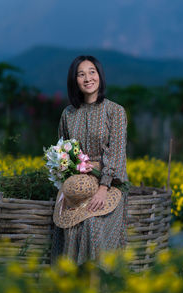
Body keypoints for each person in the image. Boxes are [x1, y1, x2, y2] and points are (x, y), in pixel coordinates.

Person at [50, 55, 129, 265]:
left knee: (92, 223)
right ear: (74, 80)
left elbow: (117, 152)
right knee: (69, 224)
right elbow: (62, 150)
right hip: (79, 184)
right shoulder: (68, 113)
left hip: (109, 184)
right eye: (81, 74)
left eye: (92, 72)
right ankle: (69, 285)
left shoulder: (115, 111)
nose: (87, 78)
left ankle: (98, 282)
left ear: (100, 76)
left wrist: (103, 187)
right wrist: (67, 178)